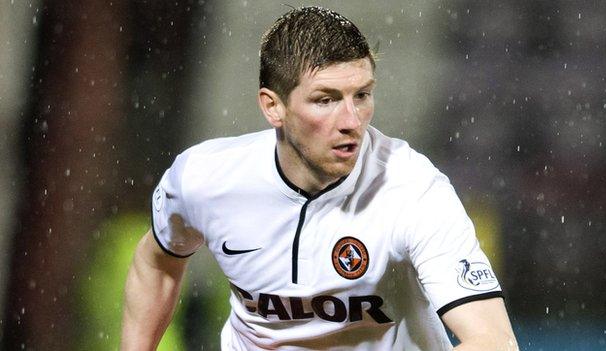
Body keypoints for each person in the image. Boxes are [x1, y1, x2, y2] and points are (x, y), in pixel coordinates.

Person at [121, 6, 518, 351]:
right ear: (272, 107)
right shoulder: (204, 179)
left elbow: (494, 340)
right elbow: (155, 264)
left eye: (361, 95)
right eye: (325, 100)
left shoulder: (413, 190)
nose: (351, 122)